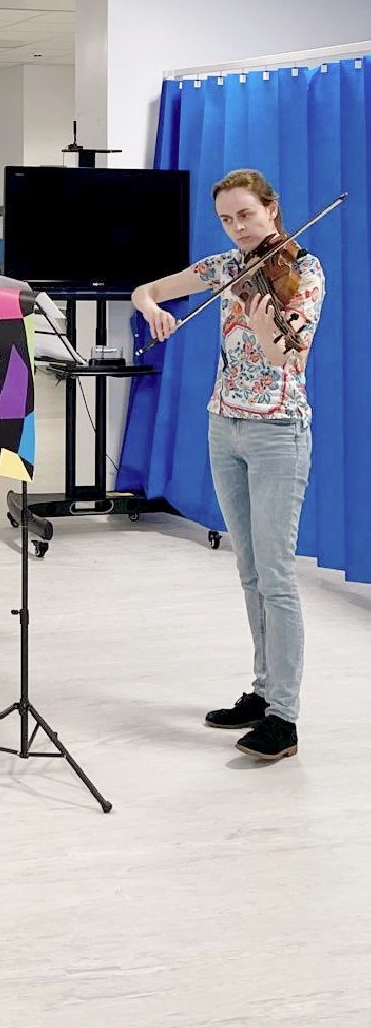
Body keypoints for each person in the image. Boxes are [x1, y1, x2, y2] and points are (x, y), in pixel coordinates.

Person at [131, 168, 323, 763]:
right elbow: (147, 290)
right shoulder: (222, 267)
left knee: (277, 575)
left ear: (272, 209)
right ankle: (263, 692)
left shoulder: (303, 273)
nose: (238, 227)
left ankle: (284, 718)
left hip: (277, 432)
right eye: (227, 219)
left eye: (247, 215)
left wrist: (266, 322)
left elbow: (287, 356)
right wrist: (151, 310)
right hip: (224, 426)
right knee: (248, 571)